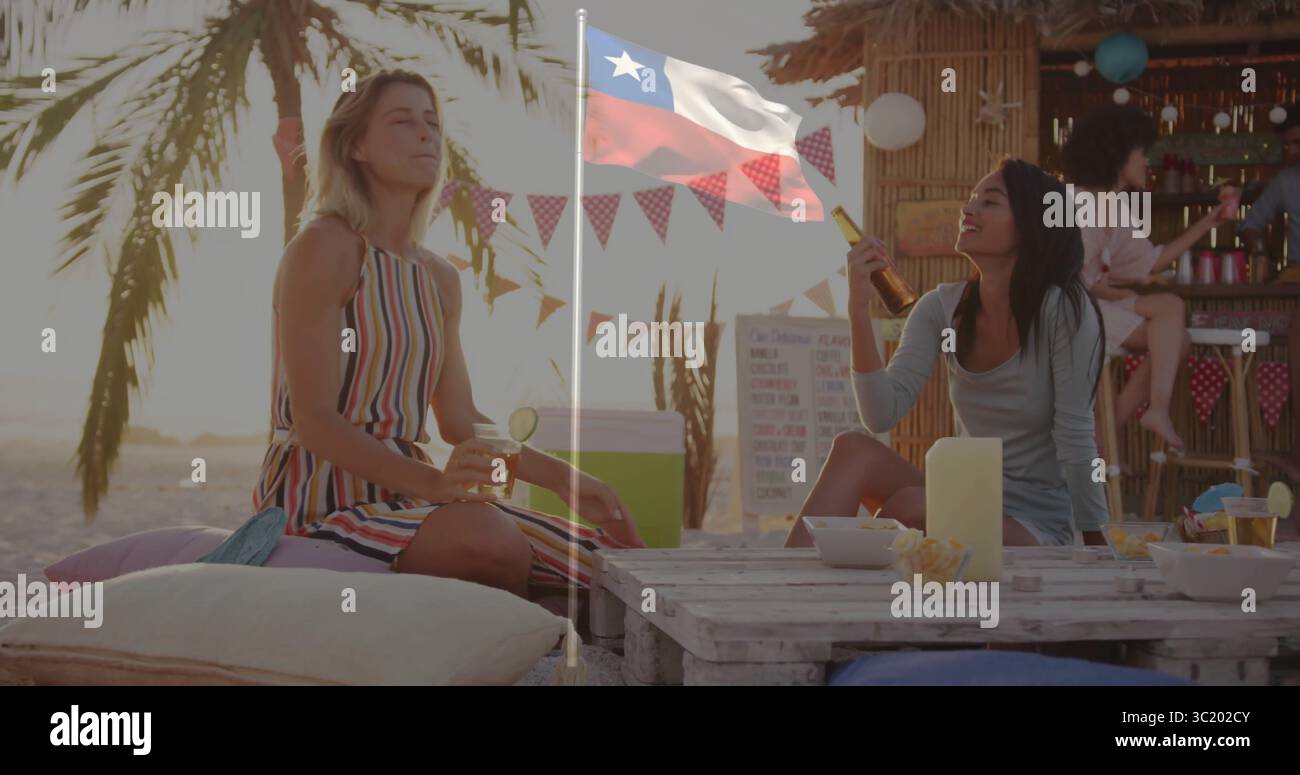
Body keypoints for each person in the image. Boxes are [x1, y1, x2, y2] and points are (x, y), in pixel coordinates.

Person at [252, 70, 643, 601]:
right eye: (403, 121)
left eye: (432, 123)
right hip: (320, 498)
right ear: (355, 146)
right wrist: (437, 486)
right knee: (489, 540)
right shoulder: (324, 246)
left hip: (411, 497)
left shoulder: (438, 277)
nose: (426, 134)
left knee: (616, 562)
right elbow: (316, 422)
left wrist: (565, 481)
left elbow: (460, 420)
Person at [785, 159, 1110, 549]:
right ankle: (792, 585)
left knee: (912, 505)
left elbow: (1076, 436)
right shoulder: (941, 307)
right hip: (964, 494)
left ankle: (855, 572)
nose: (968, 209)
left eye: (990, 202)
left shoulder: (1065, 311)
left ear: (1030, 225)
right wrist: (857, 306)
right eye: (971, 199)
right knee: (853, 449)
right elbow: (880, 413)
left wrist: (1097, 547)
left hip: (1033, 521)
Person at [1062, 104, 1234, 451]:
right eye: (1141, 153)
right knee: (1172, 327)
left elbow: (1150, 263)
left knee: (1174, 331)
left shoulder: (1115, 209)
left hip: (1091, 306)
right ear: (1116, 155)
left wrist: (1207, 224)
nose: (1146, 162)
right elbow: (1068, 277)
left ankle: (1126, 423)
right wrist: (1113, 296)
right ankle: (1116, 430)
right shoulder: (1080, 205)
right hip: (1066, 312)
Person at [1240, 102, 1300, 270]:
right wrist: (1262, 260)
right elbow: (1249, 225)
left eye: (1298, 142)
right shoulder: (1286, 181)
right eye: (1289, 145)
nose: (1292, 151)